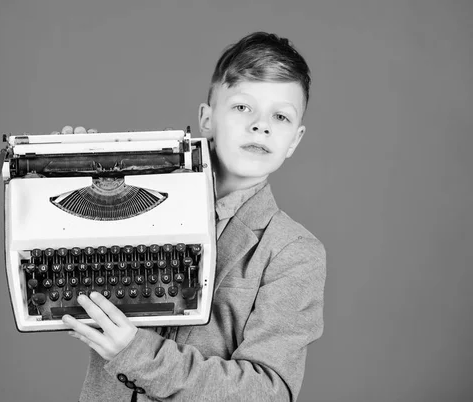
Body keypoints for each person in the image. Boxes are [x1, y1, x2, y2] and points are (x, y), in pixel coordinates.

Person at [61, 31, 326, 402]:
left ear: (294, 140)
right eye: (242, 107)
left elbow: (267, 393)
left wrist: (136, 351)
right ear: (206, 119)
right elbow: (74, 279)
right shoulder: (131, 204)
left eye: (280, 116)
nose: (260, 125)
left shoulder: (294, 253)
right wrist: (79, 175)